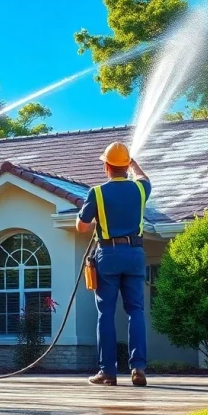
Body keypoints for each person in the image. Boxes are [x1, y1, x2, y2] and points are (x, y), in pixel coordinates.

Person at [76, 142, 151, 387]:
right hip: (135, 254)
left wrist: (89, 215)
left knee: (106, 314)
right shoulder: (141, 190)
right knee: (136, 311)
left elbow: (82, 226)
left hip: (108, 254)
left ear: (107, 166)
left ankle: (107, 372)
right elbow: (143, 178)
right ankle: (138, 368)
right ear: (126, 166)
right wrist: (135, 165)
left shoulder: (96, 192)